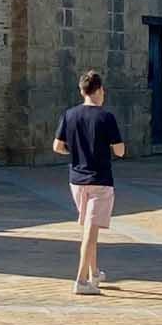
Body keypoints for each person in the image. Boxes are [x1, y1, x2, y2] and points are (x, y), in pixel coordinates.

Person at [52, 69, 125, 296]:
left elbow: (57, 146)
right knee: (90, 233)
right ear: (100, 90)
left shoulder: (69, 115)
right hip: (100, 180)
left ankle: (94, 273)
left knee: (88, 227)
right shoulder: (106, 117)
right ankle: (81, 280)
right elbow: (120, 151)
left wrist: (76, 154)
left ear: (82, 90)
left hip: (76, 179)